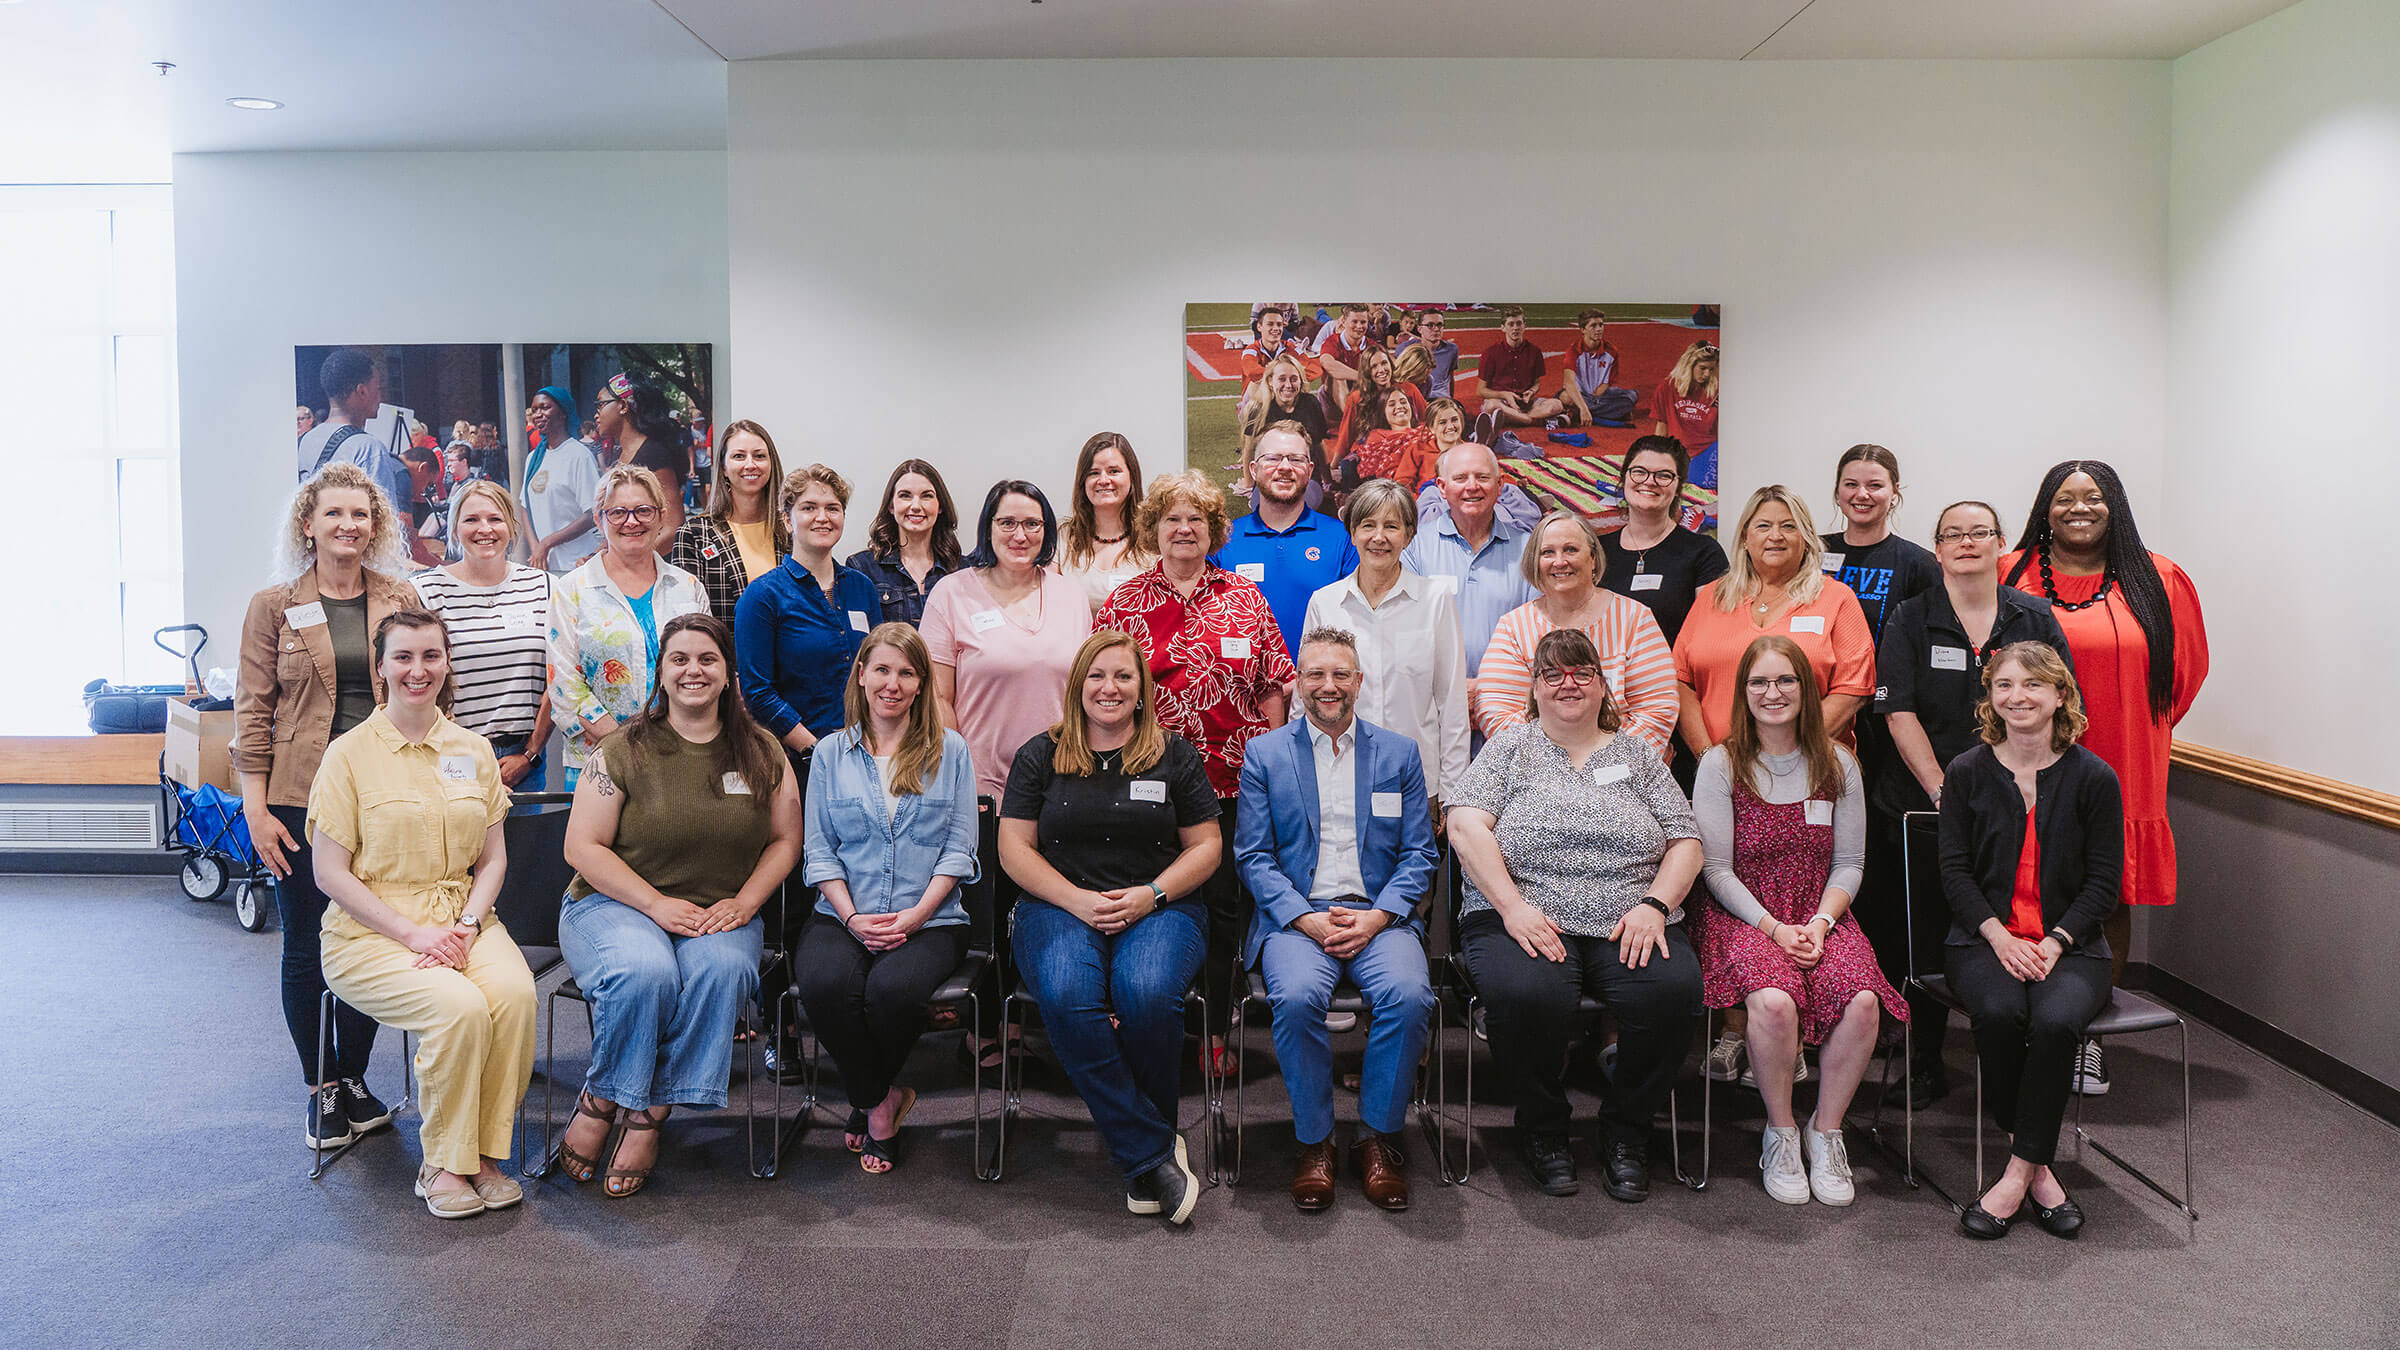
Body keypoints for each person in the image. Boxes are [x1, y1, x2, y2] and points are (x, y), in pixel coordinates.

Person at [1447, 628, 1705, 1202]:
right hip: (1523, 910)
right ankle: (1543, 1129)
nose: (1569, 684)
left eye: (1582, 672)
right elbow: (1464, 825)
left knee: (1671, 993)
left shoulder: (1637, 754)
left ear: (1602, 684)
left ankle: (1628, 1131)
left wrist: (1656, 905)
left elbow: (1686, 840)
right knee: (1528, 996)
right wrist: (1512, 907)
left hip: (1628, 914)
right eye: (1553, 673)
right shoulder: (1509, 748)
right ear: (1534, 687)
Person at [556, 614, 800, 1196]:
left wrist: (746, 902)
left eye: (708, 659)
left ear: (728, 673)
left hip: (720, 912)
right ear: (661, 673)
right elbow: (581, 847)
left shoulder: (763, 751)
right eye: (680, 659)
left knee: (721, 971)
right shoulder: (622, 748)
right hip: (614, 906)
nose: (694, 670)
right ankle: (602, 1095)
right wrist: (655, 904)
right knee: (646, 971)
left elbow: (786, 839)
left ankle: (650, 1111)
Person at [307, 609, 534, 1218]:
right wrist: (413, 934)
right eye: (403, 657)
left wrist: (466, 926)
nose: (418, 670)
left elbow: (492, 859)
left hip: (463, 919)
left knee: (514, 996)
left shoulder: (473, 750)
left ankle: (484, 1155)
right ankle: (442, 1162)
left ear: (447, 663)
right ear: (381, 667)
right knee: (458, 1008)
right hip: (371, 931)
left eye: (431, 656)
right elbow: (329, 873)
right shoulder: (347, 756)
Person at [1000, 631, 1223, 1225]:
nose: (1110, 688)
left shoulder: (1174, 755)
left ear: (1142, 688)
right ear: (1078, 685)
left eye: (1123, 676)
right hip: (1057, 904)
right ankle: (1152, 1149)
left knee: (1145, 993)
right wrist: (1075, 900)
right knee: (1068, 993)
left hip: (1161, 905)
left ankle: (1143, 1148)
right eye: (1097, 675)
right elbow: (1013, 849)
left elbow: (1207, 846)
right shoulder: (1039, 755)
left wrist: (1152, 895)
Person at [1999, 460, 2206, 1095]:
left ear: (2115, 505)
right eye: (2065, 498)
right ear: (2045, 507)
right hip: (2024, 758)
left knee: (2104, 893)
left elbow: (2184, 675)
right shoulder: (2011, 572)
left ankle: (2083, 1037)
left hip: (2122, 757)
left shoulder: (2160, 579)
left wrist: (2132, 726)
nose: (2079, 508)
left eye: (2094, 497)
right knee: (2017, 887)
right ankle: (2018, 1028)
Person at [236, 464, 420, 1150]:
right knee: (307, 941)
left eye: (360, 515)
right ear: (308, 525)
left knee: (369, 936)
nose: (348, 525)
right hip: (297, 798)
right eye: (334, 513)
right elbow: (253, 712)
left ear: (376, 527)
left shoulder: (399, 596)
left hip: (383, 793)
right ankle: (321, 1086)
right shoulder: (273, 606)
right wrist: (255, 810)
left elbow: (425, 687)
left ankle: (354, 1075)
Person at [1095, 471, 1296, 1077]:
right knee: (1147, 898)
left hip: (1231, 783)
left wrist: (1273, 766)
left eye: (1197, 520)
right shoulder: (1124, 603)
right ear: (1153, 528)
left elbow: (1272, 688)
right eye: (1172, 519)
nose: (1184, 530)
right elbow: (1099, 692)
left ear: (1214, 530)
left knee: (1223, 903)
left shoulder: (1245, 598)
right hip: (1145, 783)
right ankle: (1143, 1017)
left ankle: (1213, 1028)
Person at [1870, 501, 2070, 1108]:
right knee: (1924, 937)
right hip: (1922, 804)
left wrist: (2027, 791)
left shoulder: (2034, 617)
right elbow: (1898, 711)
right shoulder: (1911, 616)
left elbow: (2062, 705)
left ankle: (2013, 1054)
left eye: (1979, 532)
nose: (1966, 542)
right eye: (1952, 534)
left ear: (2000, 543)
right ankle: (1924, 1061)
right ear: (1937, 549)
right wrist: (1943, 792)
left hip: (2019, 808)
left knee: (2015, 922)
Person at [1694, 635, 1906, 1206]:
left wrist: (1820, 923)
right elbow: (1714, 870)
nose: (1773, 693)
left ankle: (1826, 1131)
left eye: (1785, 680)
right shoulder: (1721, 763)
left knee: (1863, 1001)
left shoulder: (1839, 763)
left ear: (1806, 690)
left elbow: (1851, 863)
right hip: (1743, 914)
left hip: (1821, 913)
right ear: (1743, 692)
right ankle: (1782, 1131)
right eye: (1759, 682)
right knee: (1772, 1002)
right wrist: (1774, 928)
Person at [1673, 486, 1874, 1084]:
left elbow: (1854, 685)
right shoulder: (1711, 597)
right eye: (1762, 525)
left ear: (1807, 536)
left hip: (1809, 774)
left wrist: (1792, 750)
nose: (1775, 536)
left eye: (1788, 525)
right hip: (1718, 773)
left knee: (1802, 895)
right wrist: (1717, 759)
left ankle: (1794, 1032)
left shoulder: (1834, 599)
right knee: (1725, 888)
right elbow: (1681, 680)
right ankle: (1742, 1030)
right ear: (1743, 536)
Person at [1235, 628, 1439, 1212]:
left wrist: (1378, 918)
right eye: (1316, 674)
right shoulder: (1265, 755)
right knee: (1297, 998)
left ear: (1359, 681)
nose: (1329, 685)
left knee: (1409, 997)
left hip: (1380, 916)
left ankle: (1376, 1138)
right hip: (1298, 918)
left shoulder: (1398, 753)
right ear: (1298, 683)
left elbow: (1419, 854)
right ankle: (1315, 1142)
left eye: (1341, 674)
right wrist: (1305, 919)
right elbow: (1253, 856)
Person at [1940, 642, 2121, 1240]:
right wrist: (1998, 938)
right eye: (2004, 685)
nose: (2017, 697)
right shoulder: (1966, 772)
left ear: (2060, 695)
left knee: (2055, 1021)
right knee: (1997, 1013)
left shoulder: (2095, 778)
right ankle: (2040, 1170)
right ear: (1990, 697)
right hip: (1981, 941)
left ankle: (2018, 1174)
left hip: (2072, 946)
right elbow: (1955, 874)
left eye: (2033, 685)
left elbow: (2104, 883)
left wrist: (2057, 941)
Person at [791, 623, 979, 1173]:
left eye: (906, 673)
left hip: (932, 917)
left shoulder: (951, 751)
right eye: (881, 670)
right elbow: (819, 851)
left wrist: (915, 917)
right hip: (842, 913)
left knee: (891, 992)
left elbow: (960, 849)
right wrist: (852, 918)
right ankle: (881, 1099)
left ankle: (867, 1100)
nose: (892, 683)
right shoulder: (829, 753)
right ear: (861, 675)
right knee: (825, 986)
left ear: (921, 684)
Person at [924, 479, 1091, 1073]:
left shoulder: (1069, 594)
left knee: (1053, 903)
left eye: (1033, 524)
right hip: (984, 782)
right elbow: (938, 696)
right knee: (990, 911)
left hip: (1064, 780)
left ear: (1047, 530)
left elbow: (1085, 689)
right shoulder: (952, 593)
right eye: (1008, 523)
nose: (1021, 535)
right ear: (987, 528)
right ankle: (991, 1023)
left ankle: (1047, 1017)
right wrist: (957, 772)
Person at [1302, 479, 1470, 810]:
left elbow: (1451, 704)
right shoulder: (1325, 603)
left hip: (1417, 784)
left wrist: (1451, 796)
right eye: (1368, 525)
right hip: (1338, 782)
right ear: (1352, 533)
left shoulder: (1435, 600)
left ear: (1408, 535)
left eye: (1391, 526)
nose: (1379, 537)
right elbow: (1306, 699)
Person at [548, 465, 708, 788]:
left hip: (682, 758)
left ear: (661, 517)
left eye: (643, 511)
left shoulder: (688, 587)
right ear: (599, 519)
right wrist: (630, 750)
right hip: (599, 762)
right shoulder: (571, 591)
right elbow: (565, 686)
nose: (631, 521)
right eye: (618, 512)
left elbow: (706, 669)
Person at [1474, 510, 1680, 756]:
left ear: (1593, 558)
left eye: (1570, 549)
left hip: (1620, 772)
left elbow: (1657, 711)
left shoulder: (1634, 619)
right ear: (1535, 562)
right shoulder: (1514, 627)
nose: (1559, 561)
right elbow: (1497, 714)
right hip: (1538, 772)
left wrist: (1602, 763)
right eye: (1547, 552)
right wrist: (1560, 766)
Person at [735, 463, 885, 765]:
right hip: (801, 761)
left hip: (869, 752)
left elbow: (881, 667)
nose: (822, 517)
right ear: (787, 520)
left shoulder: (862, 587)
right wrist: (815, 750)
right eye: (809, 507)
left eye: (833, 508)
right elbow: (757, 691)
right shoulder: (762, 596)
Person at [410, 481, 554, 788]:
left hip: (522, 761)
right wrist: (457, 752)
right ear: (454, 528)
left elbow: (560, 678)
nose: (484, 529)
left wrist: (530, 754)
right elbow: (415, 680)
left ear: (511, 527)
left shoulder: (543, 587)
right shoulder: (425, 592)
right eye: (471, 519)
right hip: (450, 753)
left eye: (495, 519)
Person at [1400, 443, 1537, 698]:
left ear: (1500, 485)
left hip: (1508, 699)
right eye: (1460, 478)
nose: (1472, 486)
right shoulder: (1414, 548)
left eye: (1482, 477)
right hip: (1432, 700)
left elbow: (1537, 636)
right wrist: (1452, 689)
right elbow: (1405, 631)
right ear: (1442, 487)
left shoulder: (1529, 549)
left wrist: (1486, 687)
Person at [1213, 426, 1359, 657]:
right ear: (1254, 469)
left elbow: (1357, 624)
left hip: (1318, 678)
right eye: (1272, 458)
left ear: (1310, 470)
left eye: (1296, 459)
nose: (1284, 467)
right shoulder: (1222, 541)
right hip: (1243, 679)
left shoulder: (1343, 539)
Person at [1597, 436, 1729, 647]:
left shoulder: (1704, 552)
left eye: (1664, 475)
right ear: (1624, 478)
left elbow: (1712, 634)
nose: (1650, 481)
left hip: (1673, 667)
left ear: (1678, 488)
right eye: (1639, 472)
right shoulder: (1597, 551)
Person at [668, 418, 792, 627]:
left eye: (759, 456)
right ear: (724, 468)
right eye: (739, 456)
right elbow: (687, 624)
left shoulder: (790, 529)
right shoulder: (694, 534)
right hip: (723, 648)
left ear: (771, 464)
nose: (750, 464)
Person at [1820, 444, 1940, 641]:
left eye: (1874, 485)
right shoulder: (1811, 551)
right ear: (1837, 491)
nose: (1861, 494)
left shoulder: (1919, 564)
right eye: (1851, 484)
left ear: (1894, 492)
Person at [844, 459, 962, 628]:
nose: (916, 506)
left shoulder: (962, 570)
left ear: (940, 506)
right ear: (891, 506)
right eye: (905, 495)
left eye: (927, 496)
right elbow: (859, 638)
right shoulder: (862, 568)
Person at [296, 347, 414, 513]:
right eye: (378, 388)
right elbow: (385, 521)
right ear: (362, 391)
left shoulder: (302, 443)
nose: (380, 397)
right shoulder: (369, 449)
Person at [1054, 432, 1154, 613]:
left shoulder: (1154, 539)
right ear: (1083, 482)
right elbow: (1047, 604)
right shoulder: (1061, 536)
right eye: (1093, 473)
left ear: (1131, 476)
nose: (1103, 480)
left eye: (1114, 471)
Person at [593, 376, 690, 549]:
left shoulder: (653, 454)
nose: (596, 414)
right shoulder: (619, 455)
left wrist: (628, 560)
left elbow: (673, 528)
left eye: (600, 404)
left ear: (623, 406)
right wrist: (595, 557)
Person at [523, 385, 603, 573]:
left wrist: (547, 542)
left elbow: (591, 514)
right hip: (544, 564)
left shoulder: (578, 455)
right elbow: (525, 507)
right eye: (534, 410)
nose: (538, 414)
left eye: (545, 408)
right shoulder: (533, 458)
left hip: (575, 564)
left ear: (563, 413)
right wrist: (536, 547)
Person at [1236, 357, 1331, 504]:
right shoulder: (1258, 408)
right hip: (1270, 478)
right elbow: (1249, 449)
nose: (1288, 385)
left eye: (1294, 379)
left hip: (1305, 478)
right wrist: (1249, 484)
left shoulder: (1311, 404)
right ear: (1270, 381)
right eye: (1282, 379)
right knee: (1266, 508)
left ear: (1301, 381)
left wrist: (1328, 481)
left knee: (1300, 505)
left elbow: (1319, 445)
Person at [1473, 306, 1565, 439]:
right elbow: (1481, 390)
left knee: (1556, 405)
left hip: (1526, 403)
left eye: (1519, 323)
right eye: (1511, 324)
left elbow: (1537, 383)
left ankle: (1516, 419)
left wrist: (1531, 391)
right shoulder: (1490, 353)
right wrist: (1504, 394)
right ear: (1503, 328)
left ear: (1524, 326)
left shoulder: (1535, 351)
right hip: (1502, 403)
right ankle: (1533, 421)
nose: (1515, 328)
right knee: (1491, 406)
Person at [1332, 347, 1428, 464]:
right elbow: (1346, 436)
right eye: (1374, 366)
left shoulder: (1408, 389)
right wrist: (1334, 465)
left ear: (1390, 364)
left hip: (1405, 443)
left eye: (1384, 363)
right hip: (1372, 449)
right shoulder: (1357, 398)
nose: (1381, 370)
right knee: (1348, 466)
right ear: (1367, 371)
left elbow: (1427, 420)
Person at [1343, 386, 1442, 495]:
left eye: (1403, 402)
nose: (1399, 407)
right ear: (1383, 412)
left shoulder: (1427, 429)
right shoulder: (1378, 436)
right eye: (1391, 404)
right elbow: (1380, 467)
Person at [1236, 306, 1322, 430]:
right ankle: (1253, 429)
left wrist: (1288, 377)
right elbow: (1252, 372)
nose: (1276, 328)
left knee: (1300, 381)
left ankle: (1305, 425)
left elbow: (1314, 369)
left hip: (1283, 404)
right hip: (1255, 407)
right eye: (1270, 324)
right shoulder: (1251, 350)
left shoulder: (1291, 348)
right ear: (1259, 327)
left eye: (1279, 324)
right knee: (1256, 383)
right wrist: (1281, 374)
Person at [1651, 341, 1721, 488]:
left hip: (1708, 449)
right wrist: (1657, 457)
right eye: (1702, 368)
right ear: (1689, 365)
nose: (1707, 374)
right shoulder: (1667, 387)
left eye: (1711, 369)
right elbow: (1662, 425)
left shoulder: (1718, 391)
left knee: (1712, 481)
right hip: (1679, 451)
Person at [1559, 310, 1638, 427]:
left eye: (1601, 325)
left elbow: (1607, 383)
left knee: (1631, 396)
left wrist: (1599, 393)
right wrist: (1584, 408)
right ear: (1583, 329)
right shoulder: (1573, 351)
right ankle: (1613, 413)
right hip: (1580, 395)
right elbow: (1569, 383)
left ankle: (1576, 412)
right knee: (1565, 397)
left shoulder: (1611, 351)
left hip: (1600, 396)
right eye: (1593, 325)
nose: (1599, 329)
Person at [1401, 309, 1460, 401]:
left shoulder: (1452, 349)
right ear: (1419, 329)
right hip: (1417, 399)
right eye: (1430, 325)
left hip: (1441, 400)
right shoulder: (1406, 348)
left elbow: (1450, 377)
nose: (1436, 329)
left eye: (1439, 325)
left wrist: (1451, 400)